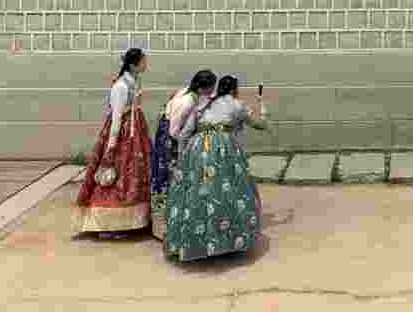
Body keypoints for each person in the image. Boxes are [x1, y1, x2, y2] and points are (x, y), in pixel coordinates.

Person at [164, 75, 267, 262]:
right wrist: (262, 105)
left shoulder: (203, 104)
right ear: (235, 90)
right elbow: (261, 124)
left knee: (198, 194)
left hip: (197, 150)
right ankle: (227, 242)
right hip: (223, 150)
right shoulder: (237, 104)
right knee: (227, 192)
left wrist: (181, 160)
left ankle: (193, 242)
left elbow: (185, 134)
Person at [72, 48, 152, 235]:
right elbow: (117, 116)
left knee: (133, 175)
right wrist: (111, 145)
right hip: (123, 134)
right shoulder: (121, 86)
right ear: (133, 64)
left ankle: (132, 220)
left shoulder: (133, 82)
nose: (146, 65)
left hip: (134, 132)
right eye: (143, 62)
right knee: (117, 176)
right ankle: (109, 223)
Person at [150, 71, 216, 242]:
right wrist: (181, 156)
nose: (211, 92)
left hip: (170, 135)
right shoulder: (187, 102)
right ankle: (164, 227)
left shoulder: (189, 92)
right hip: (169, 141)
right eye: (210, 89)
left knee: (170, 180)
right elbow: (174, 132)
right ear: (202, 88)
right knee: (169, 180)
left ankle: (168, 224)